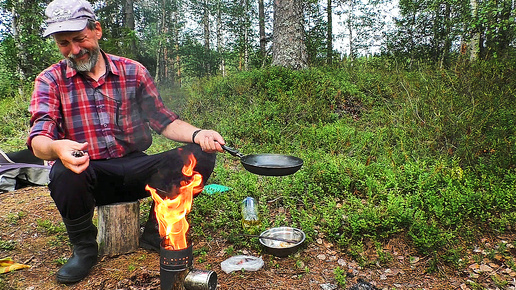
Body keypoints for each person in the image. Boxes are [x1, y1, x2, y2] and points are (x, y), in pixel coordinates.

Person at [28, 0, 225, 284]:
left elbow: (164, 121)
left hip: (136, 169)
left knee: (199, 155)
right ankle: (84, 248)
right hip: (89, 173)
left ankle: (156, 232)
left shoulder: (133, 71)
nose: (74, 50)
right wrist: (57, 148)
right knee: (62, 171)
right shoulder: (50, 80)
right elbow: (39, 139)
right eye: (64, 43)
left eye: (80, 38)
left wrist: (199, 134)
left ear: (97, 30)